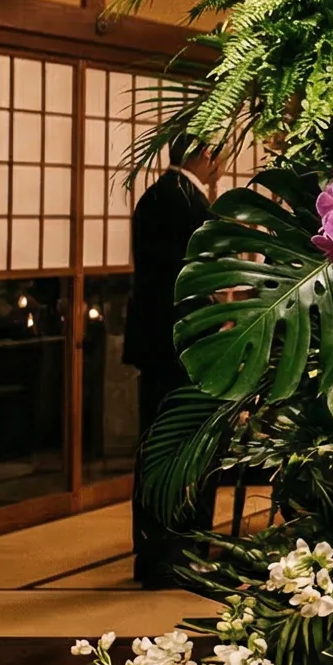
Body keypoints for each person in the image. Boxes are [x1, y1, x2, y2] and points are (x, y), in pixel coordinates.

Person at [128, 136, 217, 586]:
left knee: (157, 445)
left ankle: (158, 554)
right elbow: (199, 273)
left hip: (161, 342)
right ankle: (178, 553)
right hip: (182, 345)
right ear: (203, 155)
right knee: (185, 443)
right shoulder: (184, 202)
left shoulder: (160, 197)